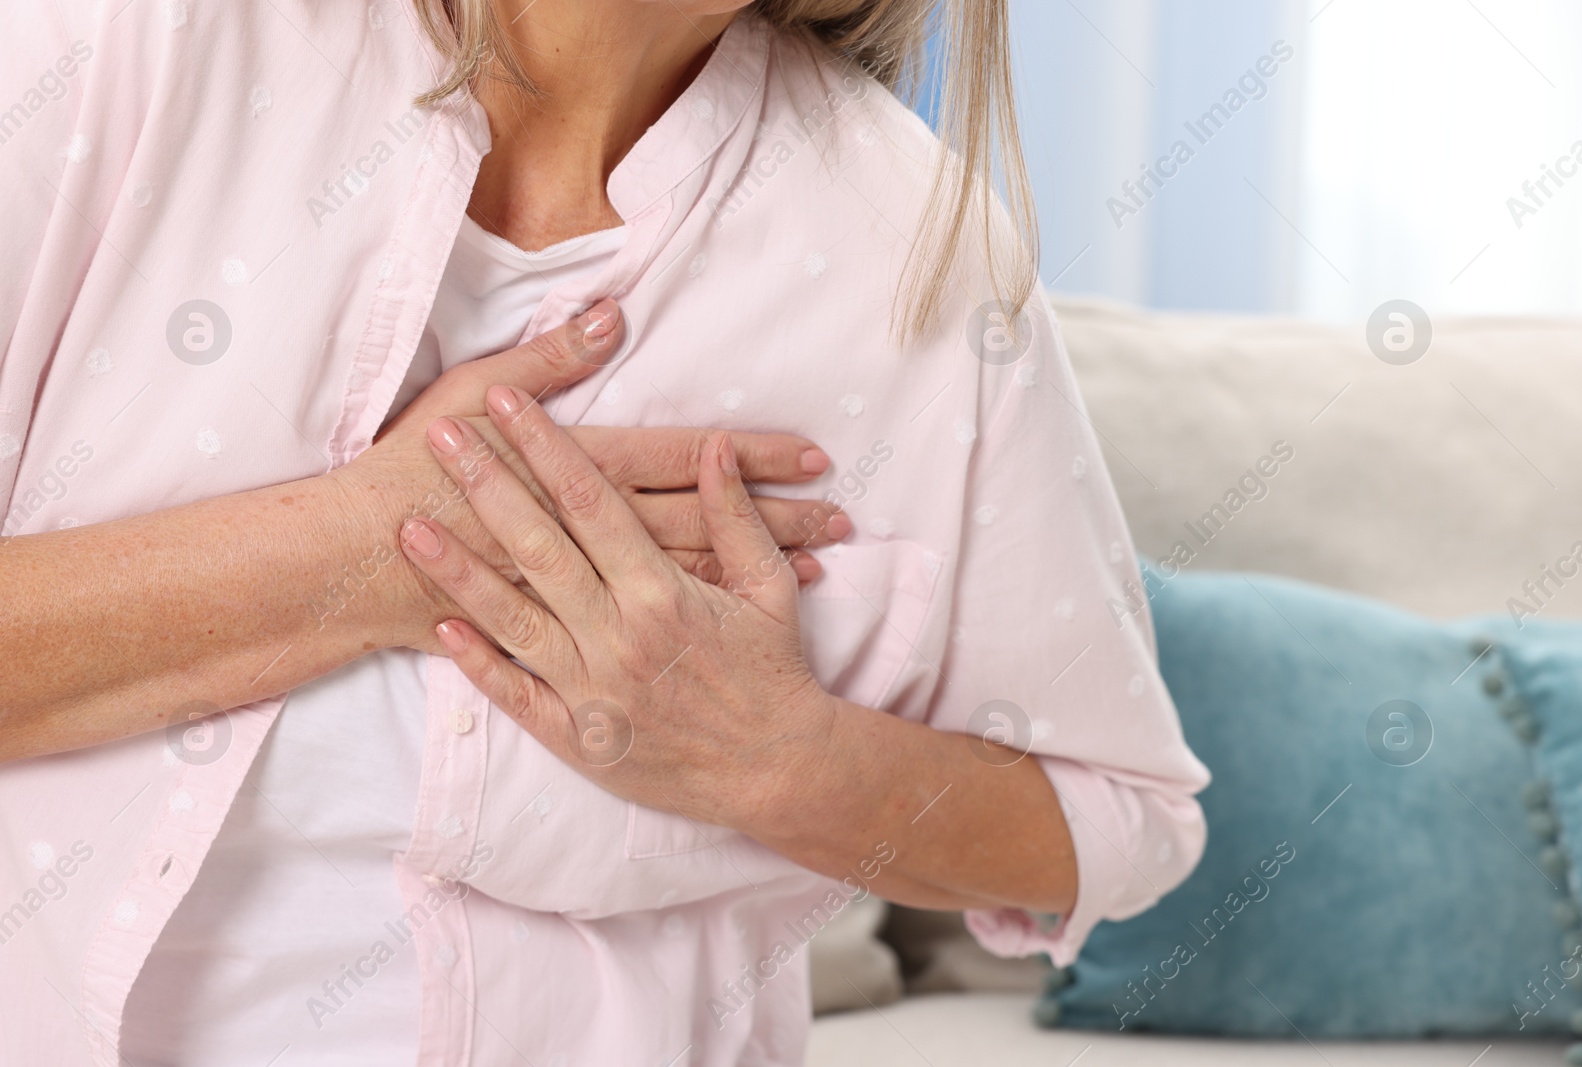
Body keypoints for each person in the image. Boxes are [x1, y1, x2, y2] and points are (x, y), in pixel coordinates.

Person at [0, 1, 1210, 1064]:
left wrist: (777, 759)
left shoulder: (916, 257)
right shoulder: (119, 45)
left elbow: (1113, 823)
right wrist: (360, 554)